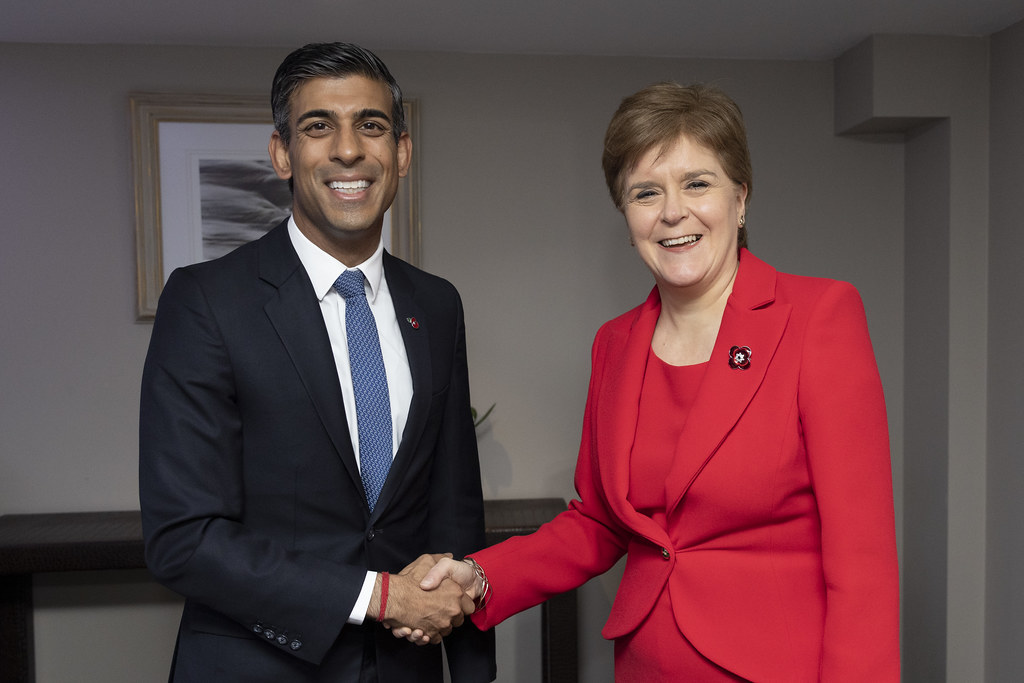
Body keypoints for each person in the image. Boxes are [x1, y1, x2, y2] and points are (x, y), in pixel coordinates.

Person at [413, 82, 900, 681]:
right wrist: (482, 576)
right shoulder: (615, 344)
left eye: (698, 183)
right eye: (646, 193)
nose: (673, 212)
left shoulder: (819, 315)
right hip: (645, 663)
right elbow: (599, 522)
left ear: (741, 199)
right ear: (627, 217)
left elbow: (863, 558)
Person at [139, 42, 495, 682]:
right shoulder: (206, 302)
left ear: (402, 153)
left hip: (406, 670)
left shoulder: (437, 305)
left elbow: (454, 505)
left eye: (372, 125)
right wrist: (378, 595)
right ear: (282, 154)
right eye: (318, 126)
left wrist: (469, 666)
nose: (349, 149)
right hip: (258, 666)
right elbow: (184, 538)